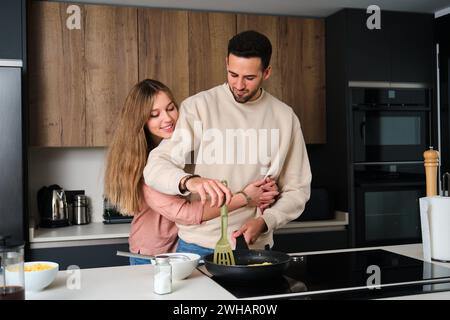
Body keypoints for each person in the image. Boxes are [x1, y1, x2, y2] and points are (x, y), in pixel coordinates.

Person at [143, 30, 312, 255]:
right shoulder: (199, 107)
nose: (239, 85)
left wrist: (266, 222)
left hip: (256, 246)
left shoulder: (285, 118)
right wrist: (190, 181)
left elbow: (298, 189)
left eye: (249, 78)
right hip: (198, 246)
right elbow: (156, 166)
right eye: (233, 74)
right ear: (226, 63)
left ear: (267, 72)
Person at [104, 79, 279, 264]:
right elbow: (187, 214)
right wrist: (245, 198)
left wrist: (263, 190)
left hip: (179, 245)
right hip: (152, 254)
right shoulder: (148, 166)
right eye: (154, 114)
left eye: (171, 108)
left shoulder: (183, 148)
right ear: (140, 122)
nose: (168, 118)